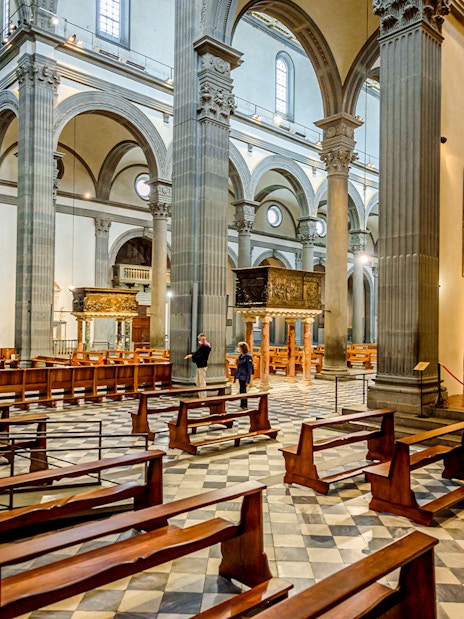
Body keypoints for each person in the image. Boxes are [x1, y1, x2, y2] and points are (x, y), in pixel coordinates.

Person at [185, 333, 211, 398]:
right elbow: (197, 353)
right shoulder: (203, 346)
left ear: (203, 339)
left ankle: (203, 398)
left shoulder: (206, 347)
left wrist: (192, 356)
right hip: (199, 366)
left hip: (202, 366)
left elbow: (201, 356)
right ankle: (200, 396)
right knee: (197, 381)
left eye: (199, 339)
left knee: (202, 382)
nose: (199, 341)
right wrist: (191, 355)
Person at [234, 341, 253, 410]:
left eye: (239, 348)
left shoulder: (248, 357)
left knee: (243, 391)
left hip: (245, 376)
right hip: (240, 376)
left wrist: (248, 380)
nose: (239, 349)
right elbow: (238, 367)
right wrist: (235, 376)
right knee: (241, 390)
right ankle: (241, 404)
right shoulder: (241, 356)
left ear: (243, 348)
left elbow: (249, 370)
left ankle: (244, 405)